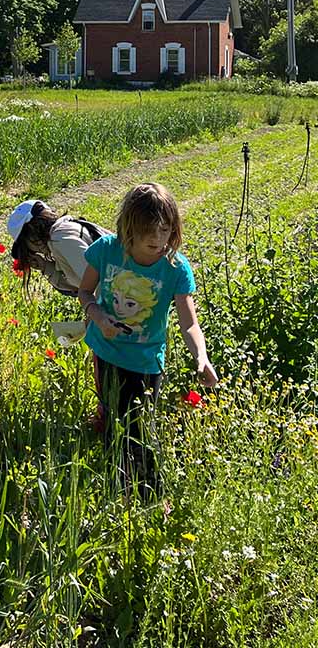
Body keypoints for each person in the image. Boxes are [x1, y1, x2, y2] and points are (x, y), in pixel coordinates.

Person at [77, 182, 218, 497]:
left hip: (145, 362)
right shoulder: (106, 250)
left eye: (166, 234)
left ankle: (152, 496)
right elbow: (84, 292)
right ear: (129, 231)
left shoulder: (175, 268)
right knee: (113, 419)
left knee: (140, 430)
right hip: (105, 350)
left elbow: (189, 322)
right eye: (149, 240)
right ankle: (119, 488)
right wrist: (98, 317)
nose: (158, 244)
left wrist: (201, 356)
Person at [8, 199, 110, 343]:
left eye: (26, 245)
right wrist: (45, 266)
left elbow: (103, 283)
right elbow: (82, 284)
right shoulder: (62, 232)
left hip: (128, 304)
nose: (31, 250)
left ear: (31, 233)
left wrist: (97, 321)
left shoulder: (60, 239)